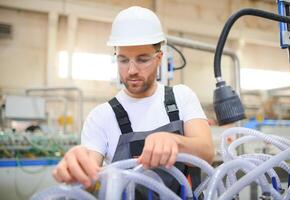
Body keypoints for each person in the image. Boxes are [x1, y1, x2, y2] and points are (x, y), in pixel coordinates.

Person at [52, 5, 214, 194]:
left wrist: (175, 143)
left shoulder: (181, 97)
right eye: (123, 60)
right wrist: (76, 169)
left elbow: (207, 153)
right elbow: (88, 178)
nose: (131, 70)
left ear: (159, 58)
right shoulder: (101, 116)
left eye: (142, 59)